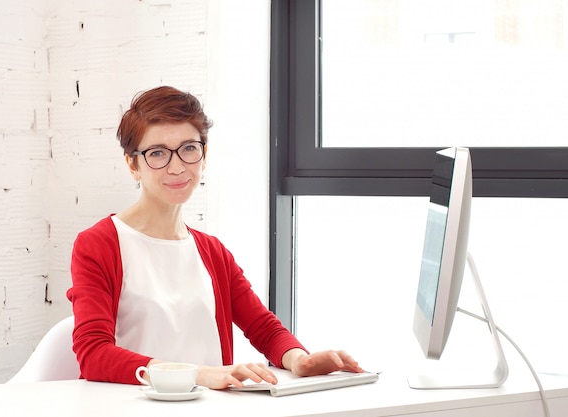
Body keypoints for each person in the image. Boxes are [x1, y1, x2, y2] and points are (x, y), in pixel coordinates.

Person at [66, 85, 363, 390]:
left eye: (189, 148)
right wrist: (197, 374)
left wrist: (299, 359)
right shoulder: (99, 244)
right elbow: (93, 354)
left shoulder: (212, 251)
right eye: (157, 153)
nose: (178, 166)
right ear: (133, 164)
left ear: (204, 155)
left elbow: (263, 327)